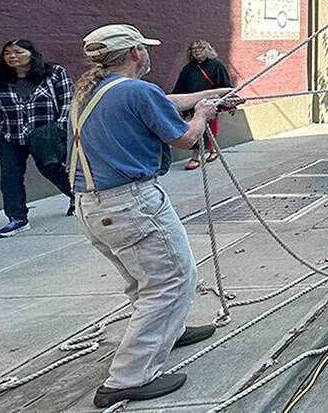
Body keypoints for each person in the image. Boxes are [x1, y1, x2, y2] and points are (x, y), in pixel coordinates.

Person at [69, 24, 231, 407]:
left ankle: (167, 332)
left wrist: (208, 98)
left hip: (93, 206)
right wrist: (203, 115)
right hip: (130, 204)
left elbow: (163, 101)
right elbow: (187, 139)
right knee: (172, 280)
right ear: (136, 52)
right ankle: (128, 378)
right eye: (146, 48)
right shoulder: (136, 90)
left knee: (143, 281)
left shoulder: (93, 89)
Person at [0, 39, 75, 237]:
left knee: (51, 169)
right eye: (7, 53)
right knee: (10, 177)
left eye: (18, 51)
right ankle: (17, 219)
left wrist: (60, 128)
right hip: (11, 136)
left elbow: (68, 101)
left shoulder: (54, 73)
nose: (12, 56)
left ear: (32, 53)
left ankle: (77, 197)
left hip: (44, 134)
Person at [171, 40, 232, 170]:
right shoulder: (188, 69)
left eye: (200, 48)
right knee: (201, 128)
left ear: (207, 49)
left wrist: (230, 103)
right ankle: (213, 150)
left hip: (210, 103)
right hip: (191, 104)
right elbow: (179, 88)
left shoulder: (217, 65)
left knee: (205, 128)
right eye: (194, 49)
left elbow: (225, 85)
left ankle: (195, 156)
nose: (197, 51)